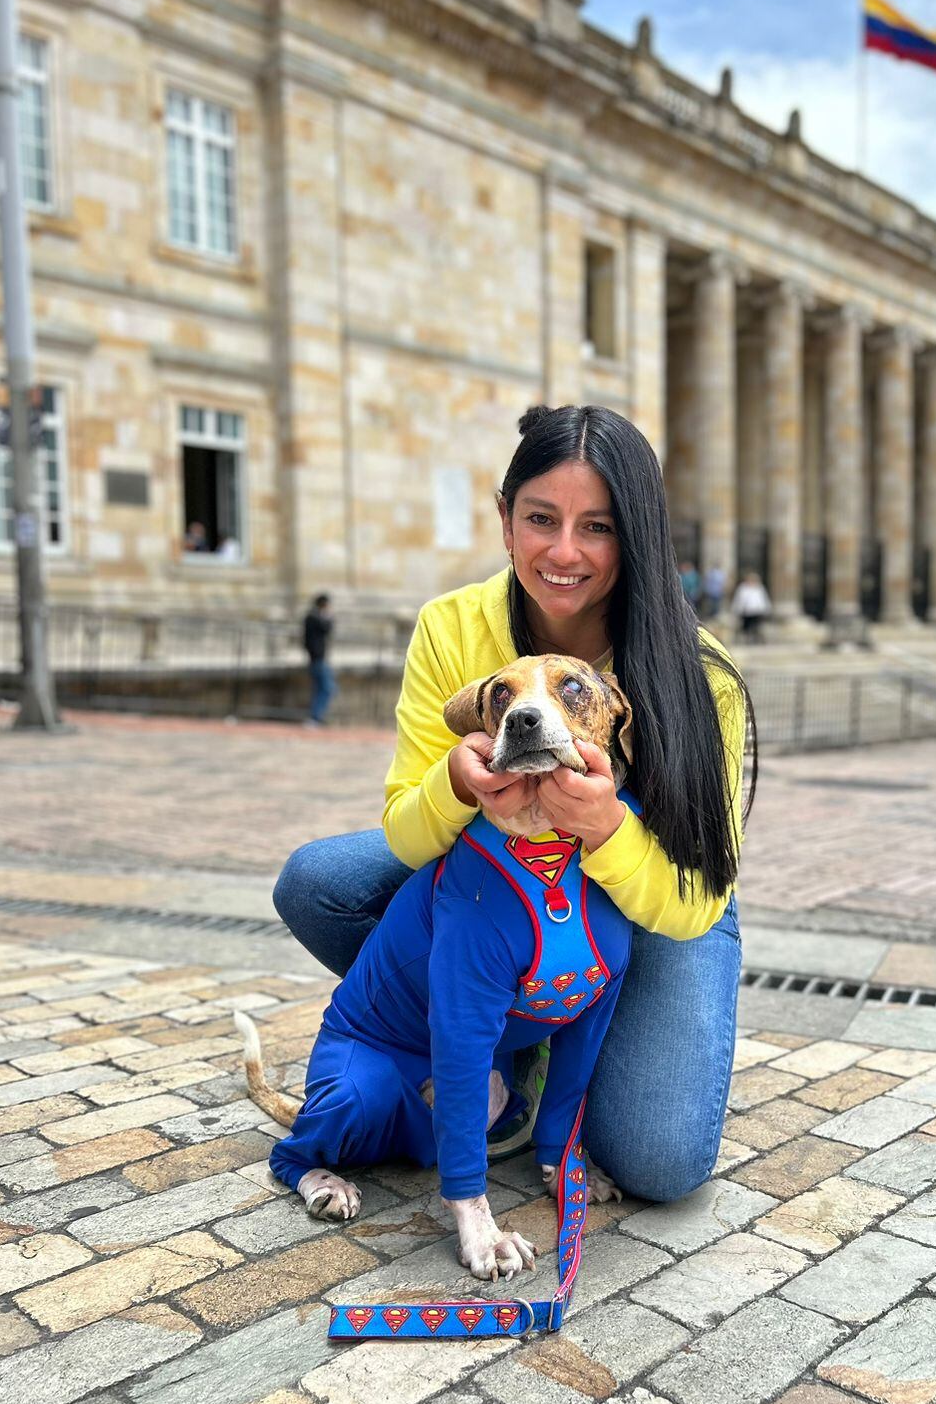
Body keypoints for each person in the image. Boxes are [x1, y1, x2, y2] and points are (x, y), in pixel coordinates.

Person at [273, 403, 757, 1203]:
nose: (564, 552)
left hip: (656, 899)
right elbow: (406, 832)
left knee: (659, 1161)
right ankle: (502, 1042)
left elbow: (697, 898)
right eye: (540, 519)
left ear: (637, 535)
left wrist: (604, 826)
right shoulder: (451, 627)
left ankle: (554, 1033)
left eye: (597, 527)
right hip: (492, 878)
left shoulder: (699, 673)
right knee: (317, 883)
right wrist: (458, 783)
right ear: (504, 520)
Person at [303, 593, 337, 726]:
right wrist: (328, 616)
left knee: (321, 688)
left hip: (316, 659)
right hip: (318, 659)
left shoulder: (311, 617)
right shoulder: (314, 617)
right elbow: (327, 628)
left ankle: (316, 716)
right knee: (327, 688)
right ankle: (315, 717)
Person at [730, 571, 771, 643]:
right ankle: (747, 638)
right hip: (746, 611)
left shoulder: (759, 588)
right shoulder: (743, 588)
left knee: (756, 626)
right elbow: (739, 599)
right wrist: (736, 609)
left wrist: (766, 609)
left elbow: (763, 599)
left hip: (757, 611)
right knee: (746, 626)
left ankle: (755, 638)